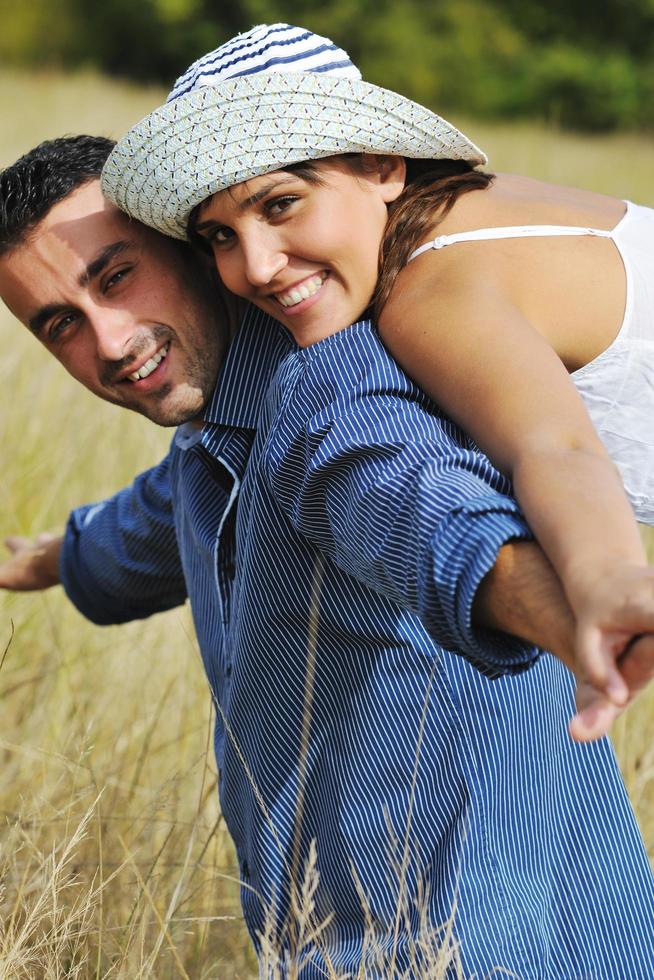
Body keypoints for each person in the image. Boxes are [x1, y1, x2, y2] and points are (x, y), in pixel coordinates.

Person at [1, 84, 653, 980]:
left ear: (193, 247)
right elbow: (165, 512)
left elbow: (435, 521)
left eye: (116, 277)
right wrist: (45, 559)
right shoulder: (221, 430)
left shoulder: (332, 395)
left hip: (454, 949)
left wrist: (574, 612)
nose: (109, 343)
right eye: (61, 326)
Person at [103, 22, 654, 738]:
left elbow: (553, 446)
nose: (258, 266)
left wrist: (608, 578)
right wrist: (72, 551)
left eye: (280, 204)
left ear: (384, 167)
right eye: (220, 237)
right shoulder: (472, 205)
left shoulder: (430, 295)